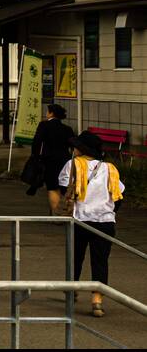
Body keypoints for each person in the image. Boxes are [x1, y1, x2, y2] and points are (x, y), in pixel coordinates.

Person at [58, 130, 125, 318]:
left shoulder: (72, 165)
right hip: (104, 222)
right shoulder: (110, 169)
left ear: (80, 149)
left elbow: (65, 189)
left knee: (75, 257)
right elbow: (119, 197)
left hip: (80, 220)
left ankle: (72, 291)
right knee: (100, 261)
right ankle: (97, 300)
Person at [28, 103, 74, 214]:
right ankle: (66, 212)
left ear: (51, 113)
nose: (46, 114)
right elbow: (73, 144)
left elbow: (37, 142)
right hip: (65, 160)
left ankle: (55, 213)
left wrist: (35, 157)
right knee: (64, 186)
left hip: (49, 160)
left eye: (47, 111)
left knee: (53, 186)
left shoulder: (44, 125)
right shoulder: (67, 129)